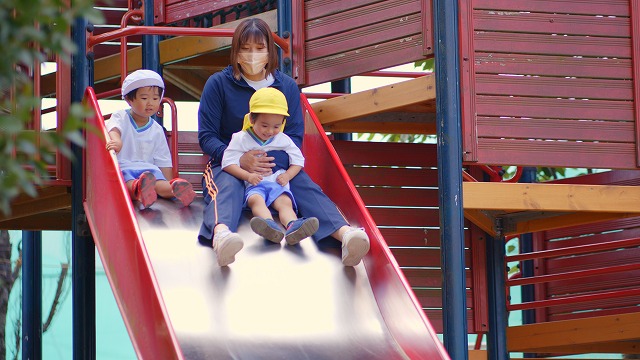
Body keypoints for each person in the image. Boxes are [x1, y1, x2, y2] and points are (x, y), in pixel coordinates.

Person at [198, 17, 370, 267]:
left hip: (276, 164)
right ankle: (222, 235)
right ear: (235, 52)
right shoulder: (219, 84)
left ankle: (345, 235)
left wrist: (271, 164)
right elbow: (207, 136)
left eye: (259, 48)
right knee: (228, 185)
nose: (252, 55)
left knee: (301, 182)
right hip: (228, 163)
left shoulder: (286, 86)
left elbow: (295, 136)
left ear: (270, 51)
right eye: (245, 48)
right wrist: (240, 160)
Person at [222, 87, 319, 246]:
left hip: (277, 184)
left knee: (284, 203)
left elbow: (298, 161)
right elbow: (227, 163)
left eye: (276, 126)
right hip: (255, 184)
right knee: (256, 201)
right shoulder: (241, 138)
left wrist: (288, 175)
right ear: (252, 119)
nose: (270, 131)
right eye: (264, 125)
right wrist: (247, 176)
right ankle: (267, 225)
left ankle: (293, 226)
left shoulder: (283, 139)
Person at [106, 69, 196, 209]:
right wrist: (116, 140)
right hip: (124, 166)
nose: (150, 103)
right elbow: (114, 129)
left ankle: (175, 188)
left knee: (160, 183)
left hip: (149, 171)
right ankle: (139, 189)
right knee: (127, 182)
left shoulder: (157, 129)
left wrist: (168, 179)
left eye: (155, 99)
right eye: (144, 98)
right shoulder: (121, 116)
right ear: (129, 100)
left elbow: (163, 159)